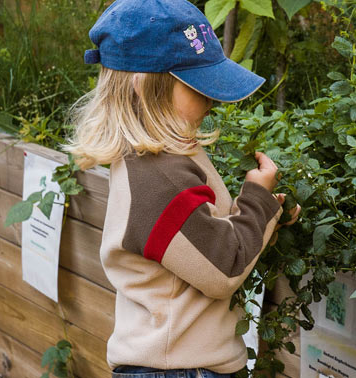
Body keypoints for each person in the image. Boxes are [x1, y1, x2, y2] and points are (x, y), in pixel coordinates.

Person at [64, 0, 300, 377]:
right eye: (197, 85)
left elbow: (200, 238)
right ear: (146, 87)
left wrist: (267, 215)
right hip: (178, 370)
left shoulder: (157, 157)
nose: (211, 98)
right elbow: (224, 267)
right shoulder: (162, 178)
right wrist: (256, 200)